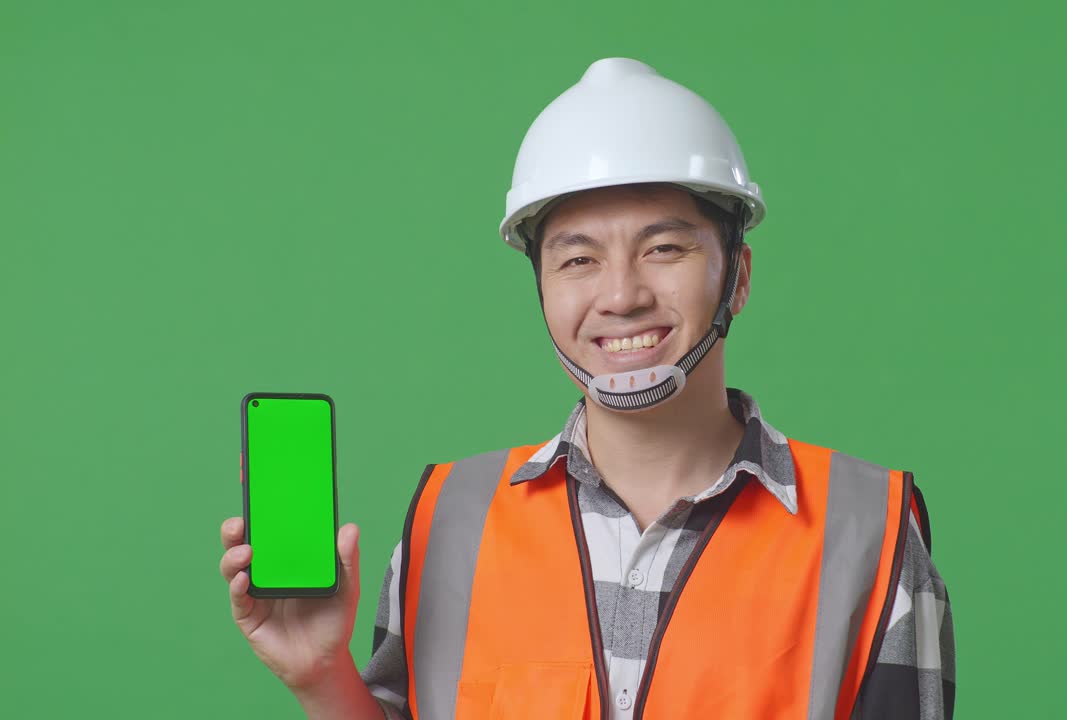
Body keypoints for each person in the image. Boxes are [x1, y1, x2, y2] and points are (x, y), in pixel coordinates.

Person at [219, 57, 955, 720]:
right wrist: (321, 676)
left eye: (664, 248)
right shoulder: (450, 520)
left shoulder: (870, 532)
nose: (621, 295)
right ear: (540, 287)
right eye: (578, 260)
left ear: (738, 278)